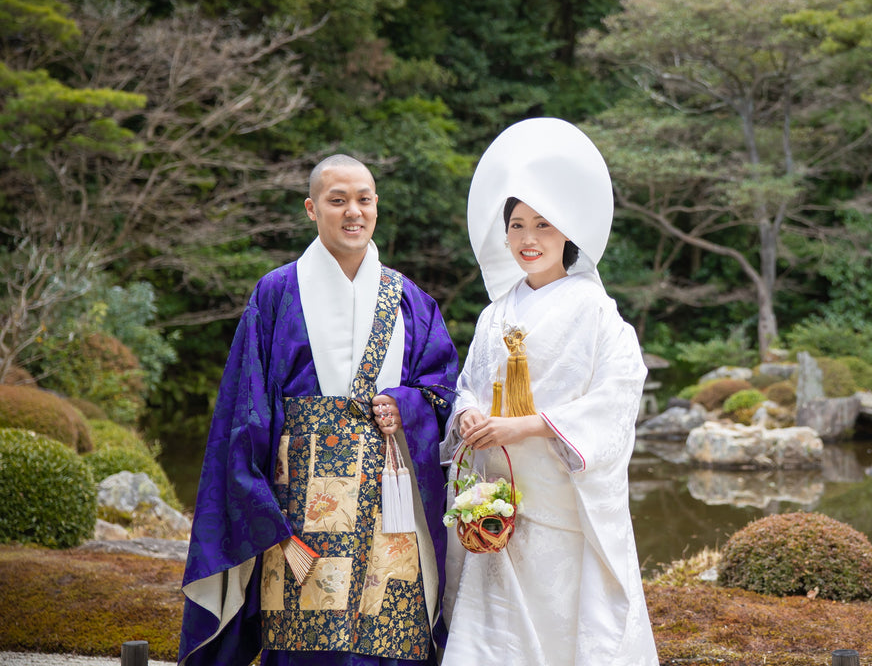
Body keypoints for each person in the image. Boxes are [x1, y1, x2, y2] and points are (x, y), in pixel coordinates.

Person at [178, 154, 458, 666]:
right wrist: (262, 512)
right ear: (312, 209)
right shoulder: (277, 293)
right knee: (304, 636)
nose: (353, 211)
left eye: (364, 200)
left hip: (389, 504)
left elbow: (442, 390)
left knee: (393, 635)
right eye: (338, 200)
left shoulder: (411, 300)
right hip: (299, 508)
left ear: (376, 206)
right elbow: (245, 415)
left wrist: (405, 406)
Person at [440, 118, 658, 665]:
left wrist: (532, 424)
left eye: (543, 224)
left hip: (560, 504)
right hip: (496, 500)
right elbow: (468, 385)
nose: (528, 239)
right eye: (516, 225)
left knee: (559, 630)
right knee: (490, 636)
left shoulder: (595, 310)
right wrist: (467, 415)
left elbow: (619, 392)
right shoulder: (496, 313)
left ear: (567, 232)